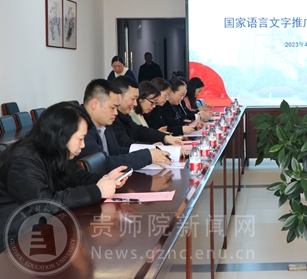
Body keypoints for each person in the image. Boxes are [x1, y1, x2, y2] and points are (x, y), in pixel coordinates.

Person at [0, 102, 129, 252]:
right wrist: (97, 191)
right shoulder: (22, 161)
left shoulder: (54, 150)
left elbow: (77, 176)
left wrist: (105, 179)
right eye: (80, 139)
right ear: (61, 136)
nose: (83, 145)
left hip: (44, 228)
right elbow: (45, 203)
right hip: (15, 243)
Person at [76, 79, 171, 171]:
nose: (116, 112)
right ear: (94, 104)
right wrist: (146, 156)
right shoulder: (80, 127)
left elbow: (117, 152)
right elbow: (101, 164)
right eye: (112, 107)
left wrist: (150, 151)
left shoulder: (104, 123)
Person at [111, 76, 183, 148]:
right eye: (133, 99)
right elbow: (126, 145)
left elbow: (140, 131)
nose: (135, 103)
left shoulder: (124, 116)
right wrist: (151, 147)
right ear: (119, 96)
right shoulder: (113, 119)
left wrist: (165, 137)